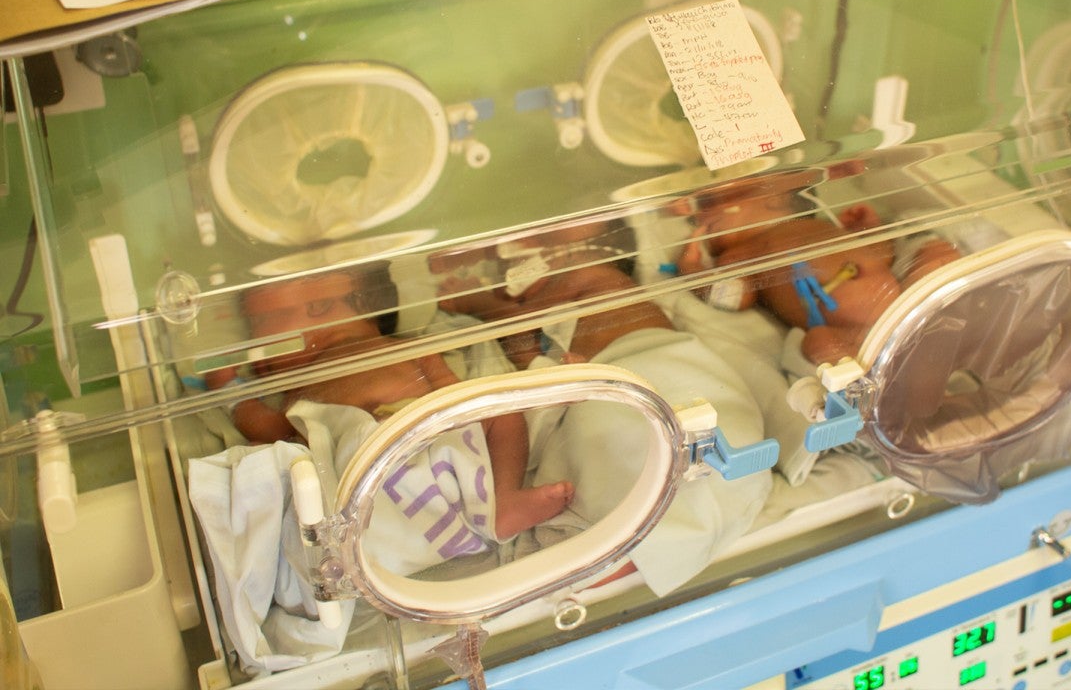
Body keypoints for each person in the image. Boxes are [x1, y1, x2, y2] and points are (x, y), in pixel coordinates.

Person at [434, 218, 773, 596]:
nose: (538, 254)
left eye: (549, 245)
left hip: (655, 365)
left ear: (603, 248)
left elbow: (519, 317)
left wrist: (481, 301)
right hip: (606, 374)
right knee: (625, 449)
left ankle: (644, 539)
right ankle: (639, 540)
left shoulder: (597, 276)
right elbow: (526, 348)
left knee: (675, 448)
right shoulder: (571, 304)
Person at [206, 268, 573, 542]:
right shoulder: (297, 392)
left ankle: (502, 499)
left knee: (500, 411)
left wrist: (233, 394)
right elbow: (275, 430)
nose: (255, 344)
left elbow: (450, 392)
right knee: (273, 459)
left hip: (428, 436)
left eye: (262, 322)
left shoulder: (406, 349)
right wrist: (232, 392)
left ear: (322, 305)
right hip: (362, 469)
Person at [676, 188, 962, 367]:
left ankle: (944, 326)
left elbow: (881, 252)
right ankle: (889, 362)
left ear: (775, 198)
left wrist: (869, 229)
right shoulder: (738, 256)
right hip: (860, 333)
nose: (703, 216)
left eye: (713, 201)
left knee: (938, 252)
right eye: (700, 214)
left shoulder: (814, 224)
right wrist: (694, 273)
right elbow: (738, 296)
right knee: (819, 344)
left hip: (904, 298)